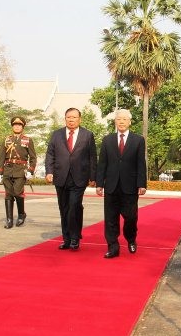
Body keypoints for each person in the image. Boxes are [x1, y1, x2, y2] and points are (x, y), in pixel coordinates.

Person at [96, 109, 147, 259]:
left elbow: (140, 164)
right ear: (115, 122)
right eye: (119, 119)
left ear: (130, 122)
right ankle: (113, 247)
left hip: (130, 186)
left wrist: (141, 184)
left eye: (125, 119)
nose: (122, 122)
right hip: (111, 185)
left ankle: (131, 238)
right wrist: (100, 183)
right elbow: (102, 163)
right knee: (110, 218)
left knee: (130, 217)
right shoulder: (107, 140)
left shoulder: (138, 140)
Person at [45, 108, 97, 251]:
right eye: (69, 117)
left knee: (74, 206)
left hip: (79, 177)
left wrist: (93, 176)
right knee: (64, 208)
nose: (71, 120)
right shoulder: (56, 135)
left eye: (74, 117)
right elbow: (50, 154)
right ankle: (66, 239)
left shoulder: (87, 135)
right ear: (65, 118)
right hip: (61, 177)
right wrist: (49, 172)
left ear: (80, 119)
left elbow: (92, 157)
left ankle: (75, 238)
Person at [0, 116, 37, 229]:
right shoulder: (6, 140)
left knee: (18, 192)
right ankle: (9, 219)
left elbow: (33, 158)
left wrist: (30, 170)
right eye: (15, 125)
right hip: (8, 170)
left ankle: (21, 214)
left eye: (19, 125)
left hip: (20, 170)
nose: (17, 126)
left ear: (22, 127)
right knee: (8, 194)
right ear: (12, 126)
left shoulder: (28, 140)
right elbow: (1, 157)